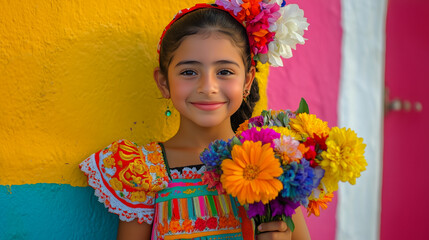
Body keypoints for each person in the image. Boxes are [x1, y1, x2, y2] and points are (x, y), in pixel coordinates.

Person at [80, 1, 311, 239]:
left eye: (225, 72)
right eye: (189, 72)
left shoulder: (274, 164)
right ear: (163, 83)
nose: (208, 87)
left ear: (247, 81)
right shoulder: (143, 172)